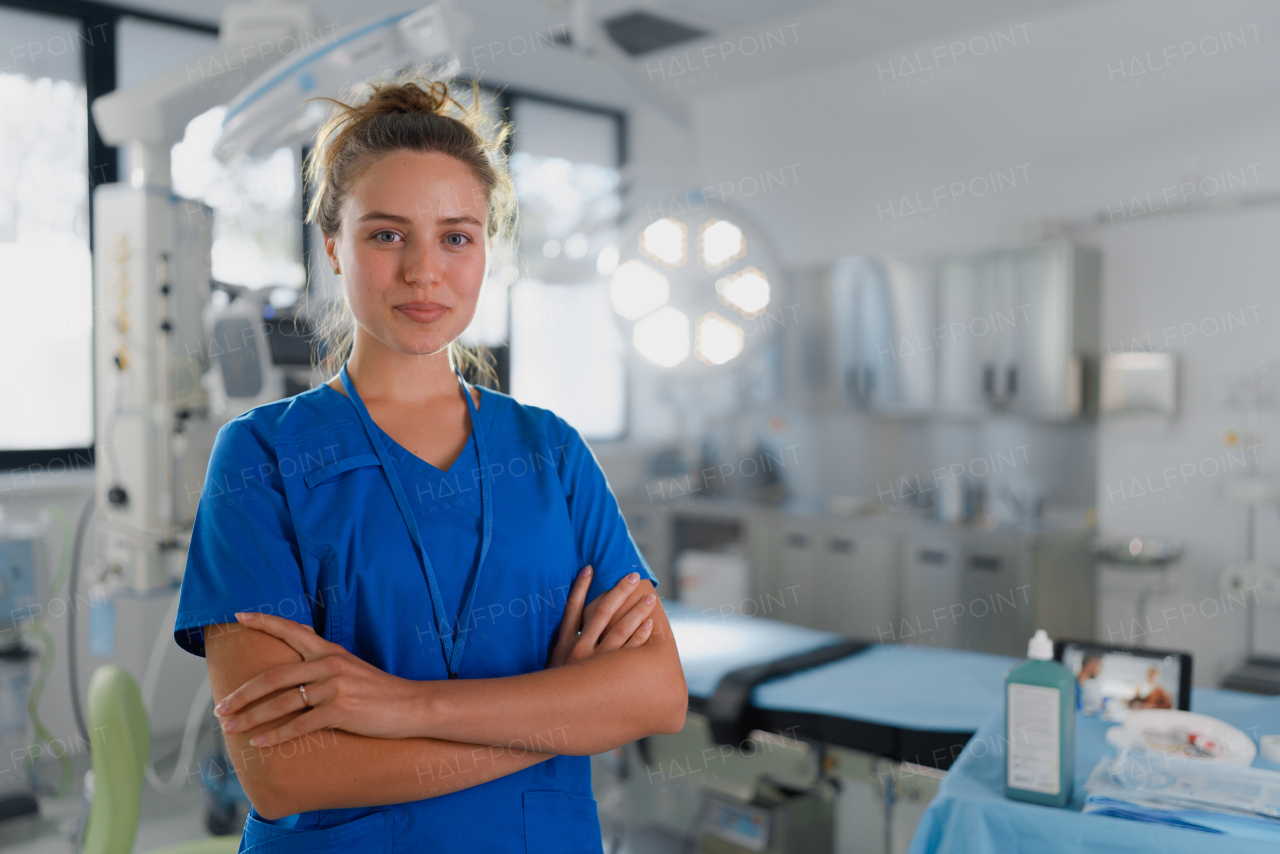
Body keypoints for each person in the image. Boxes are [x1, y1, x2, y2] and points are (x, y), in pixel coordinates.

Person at [172, 75, 687, 853]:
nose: (424, 271)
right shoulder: (263, 458)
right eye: (386, 234)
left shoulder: (550, 453)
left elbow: (656, 695)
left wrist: (402, 707)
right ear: (332, 246)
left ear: (486, 247)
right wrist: (559, 720)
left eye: (456, 236)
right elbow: (285, 772)